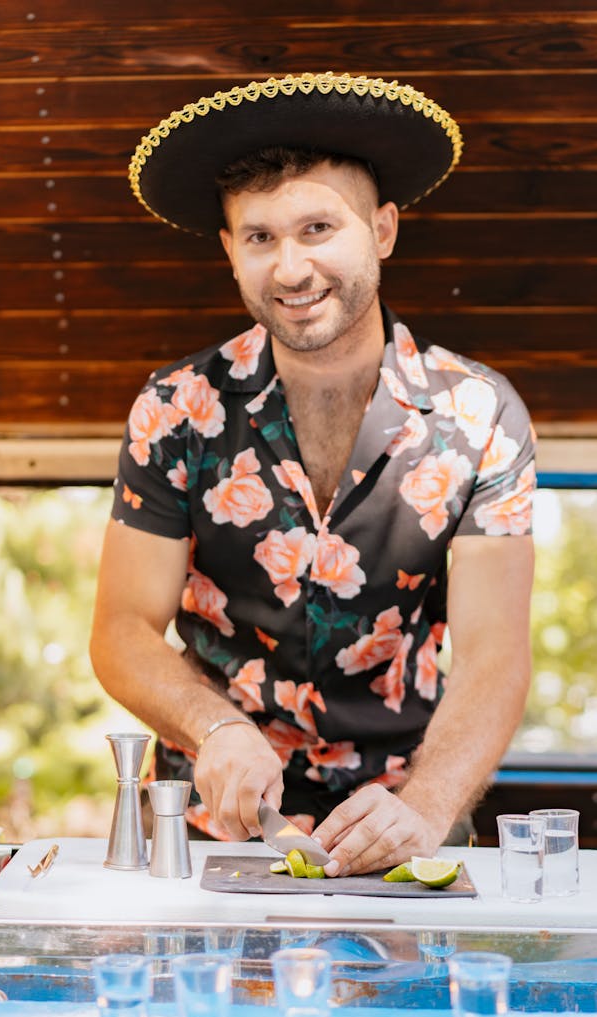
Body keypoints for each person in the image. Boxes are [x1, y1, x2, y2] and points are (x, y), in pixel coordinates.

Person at [90, 72, 535, 877]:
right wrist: (215, 728)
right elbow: (121, 630)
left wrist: (430, 808)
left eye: (319, 227)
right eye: (260, 237)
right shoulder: (173, 408)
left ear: (384, 230)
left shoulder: (483, 416)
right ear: (230, 252)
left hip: (408, 825)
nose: (291, 268)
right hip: (212, 828)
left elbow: (497, 654)